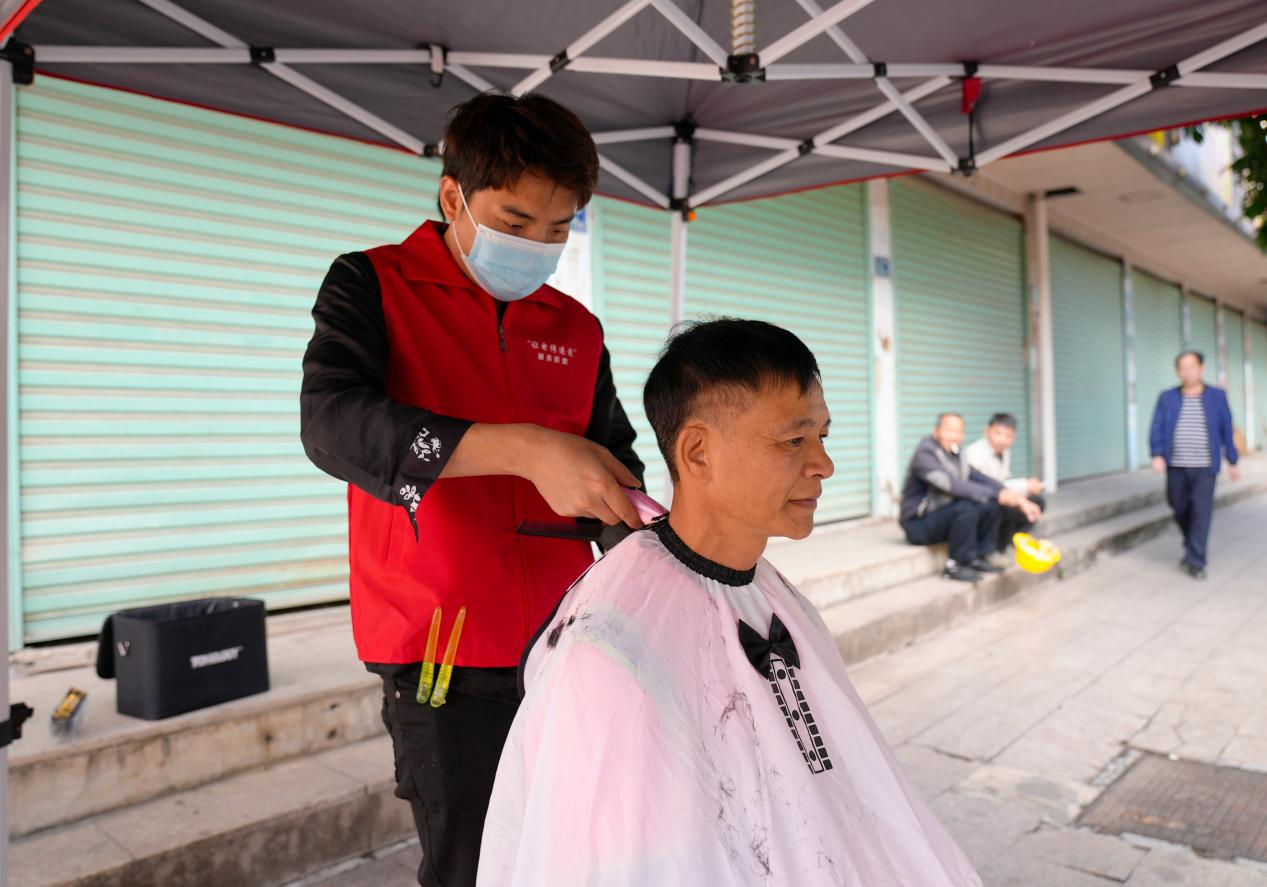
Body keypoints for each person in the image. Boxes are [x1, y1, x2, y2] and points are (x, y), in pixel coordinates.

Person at [478, 319, 983, 887]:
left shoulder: (775, 596)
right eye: (793, 441)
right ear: (698, 453)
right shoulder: (611, 645)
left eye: (822, 436)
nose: (824, 464)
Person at [299, 93, 645, 887]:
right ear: (453, 195)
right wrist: (523, 448)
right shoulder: (372, 283)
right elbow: (332, 424)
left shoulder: (574, 327)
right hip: (439, 649)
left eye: (558, 229)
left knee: (568, 853)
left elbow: (613, 462)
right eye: (516, 222)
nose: (537, 246)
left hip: (567, 641)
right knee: (473, 865)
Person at [899, 413, 1039, 582]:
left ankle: (979, 556)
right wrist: (997, 494)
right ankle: (954, 565)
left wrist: (1010, 495)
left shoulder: (956, 453)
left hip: (942, 516)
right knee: (967, 506)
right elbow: (951, 485)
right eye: (949, 430)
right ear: (936, 432)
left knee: (989, 504)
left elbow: (977, 476)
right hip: (919, 523)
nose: (954, 436)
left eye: (958, 431)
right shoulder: (925, 454)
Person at [1148, 350, 1239, 580]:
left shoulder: (1217, 396)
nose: (1187, 372)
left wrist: (1232, 460)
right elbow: (1157, 426)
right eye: (1183, 368)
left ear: (1201, 368)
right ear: (1177, 371)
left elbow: (1226, 429)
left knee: (1201, 512)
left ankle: (1196, 561)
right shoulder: (1167, 397)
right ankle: (1191, 544)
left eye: (1192, 366)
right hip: (1176, 465)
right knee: (1178, 506)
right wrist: (1157, 454)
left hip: (1205, 467)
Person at [964, 413, 1046, 552]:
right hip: (981, 501)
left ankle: (1009, 543)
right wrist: (1025, 485)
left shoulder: (1004, 452)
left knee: (1036, 501)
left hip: (998, 495)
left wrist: (1025, 489)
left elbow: (1002, 482)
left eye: (1009, 436)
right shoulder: (975, 453)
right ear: (987, 431)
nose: (1003, 440)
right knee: (1003, 506)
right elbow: (989, 486)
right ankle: (992, 549)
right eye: (998, 433)